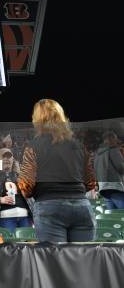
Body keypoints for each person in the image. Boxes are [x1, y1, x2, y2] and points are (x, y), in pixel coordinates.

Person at [19, 99, 96, 243]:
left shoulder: (33, 146)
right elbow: (91, 182)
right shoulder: (79, 145)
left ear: (37, 120)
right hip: (81, 206)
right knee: (84, 261)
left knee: (54, 261)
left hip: (49, 206)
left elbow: (26, 186)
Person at [94, 131, 124, 209]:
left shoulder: (97, 153)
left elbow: (95, 170)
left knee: (112, 215)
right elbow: (121, 168)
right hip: (114, 186)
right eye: (115, 139)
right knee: (122, 214)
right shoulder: (113, 149)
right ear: (111, 138)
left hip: (103, 187)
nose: (116, 141)